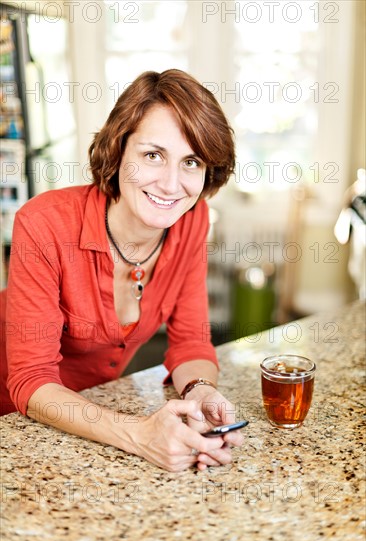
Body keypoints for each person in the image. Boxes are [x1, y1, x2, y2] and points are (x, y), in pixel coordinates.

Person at [1, 69, 243, 472]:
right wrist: (141, 434)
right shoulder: (43, 224)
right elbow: (30, 379)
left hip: (94, 417)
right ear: (117, 152)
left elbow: (191, 342)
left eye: (191, 161)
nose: (171, 184)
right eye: (153, 155)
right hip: (16, 423)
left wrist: (201, 391)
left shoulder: (193, 217)